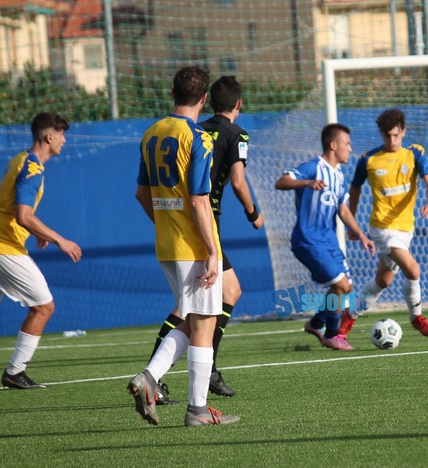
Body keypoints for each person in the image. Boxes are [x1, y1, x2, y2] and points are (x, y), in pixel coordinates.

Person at [128, 66, 239, 427]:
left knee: (192, 322)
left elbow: (142, 193)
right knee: (205, 324)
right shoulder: (199, 138)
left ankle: (149, 377)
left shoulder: (151, 133)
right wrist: (212, 252)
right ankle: (197, 410)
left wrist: (165, 223)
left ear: (172, 93)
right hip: (192, 247)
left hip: (167, 244)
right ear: (204, 98)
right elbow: (198, 200)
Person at [147, 76, 263, 403]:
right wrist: (254, 213)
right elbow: (236, 182)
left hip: (176, 226)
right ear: (238, 104)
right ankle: (162, 378)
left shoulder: (162, 131)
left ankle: (182, 371)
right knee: (196, 311)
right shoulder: (226, 135)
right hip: (203, 223)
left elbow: (142, 193)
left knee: (222, 295)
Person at [0, 112, 82, 389]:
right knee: (44, 307)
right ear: (49, 137)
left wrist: (35, 232)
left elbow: (11, 209)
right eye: (62, 135)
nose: (64, 140)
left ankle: (15, 372)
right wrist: (59, 240)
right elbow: (23, 215)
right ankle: (14, 372)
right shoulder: (33, 167)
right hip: (3, 249)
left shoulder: (20, 159)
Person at [275, 123, 375, 351]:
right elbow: (281, 181)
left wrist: (360, 235)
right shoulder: (313, 167)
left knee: (346, 287)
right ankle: (331, 335)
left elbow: (343, 209)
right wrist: (307, 182)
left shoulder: (339, 176)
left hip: (330, 242)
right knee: (341, 285)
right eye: (347, 144)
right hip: (308, 240)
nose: (350, 148)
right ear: (333, 145)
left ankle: (316, 322)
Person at [340, 108, 428, 338]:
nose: (391, 140)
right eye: (387, 136)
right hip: (382, 229)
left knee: (383, 280)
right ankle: (417, 318)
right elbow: (355, 188)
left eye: (395, 135)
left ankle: (348, 318)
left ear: (403, 132)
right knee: (413, 269)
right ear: (381, 135)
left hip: (406, 229)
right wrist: (351, 222)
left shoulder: (414, 154)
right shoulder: (369, 159)